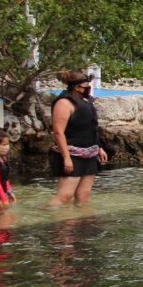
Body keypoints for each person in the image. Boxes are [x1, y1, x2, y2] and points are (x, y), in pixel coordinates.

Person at [48, 70, 107, 206]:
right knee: (65, 196)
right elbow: (58, 132)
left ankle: (82, 224)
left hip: (89, 152)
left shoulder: (87, 101)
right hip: (72, 153)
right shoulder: (64, 103)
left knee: (83, 196)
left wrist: (99, 147)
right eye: (86, 86)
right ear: (77, 87)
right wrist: (66, 157)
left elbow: (92, 126)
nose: (88, 89)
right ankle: (45, 218)